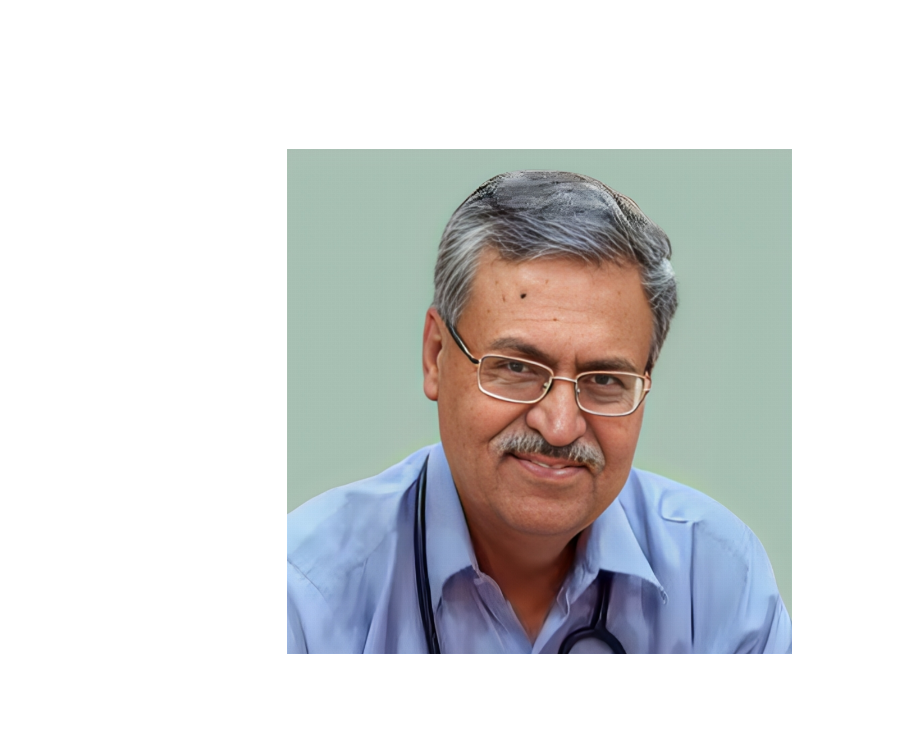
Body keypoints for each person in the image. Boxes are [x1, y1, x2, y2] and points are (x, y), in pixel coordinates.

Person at [287, 171, 791, 654]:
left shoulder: (719, 581)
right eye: (517, 368)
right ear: (435, 355)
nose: (560, 425)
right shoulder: (307, 594)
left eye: (604, 380)